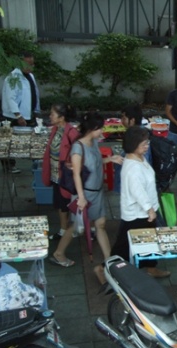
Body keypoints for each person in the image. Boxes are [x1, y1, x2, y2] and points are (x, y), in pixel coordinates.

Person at [51, 112, 122, 269]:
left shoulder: (94, 142)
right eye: (100, 129)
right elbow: (76, 174)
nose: (102, 132)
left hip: (96, 191)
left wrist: (110, 159)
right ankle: (58, 253)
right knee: (76, 227)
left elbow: (95, 164)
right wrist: (81, 198)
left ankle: (109, 260)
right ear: (92, 128)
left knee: (100, 224)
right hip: (85, 193)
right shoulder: (78, 147)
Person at [109, 126, 169, 279]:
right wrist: (149, 209)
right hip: (138, 214)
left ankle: (150, 266)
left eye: (147, 143)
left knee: (148, 240)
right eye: (144, 144)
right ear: (133, 144)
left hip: (145, 211)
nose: (147, 146)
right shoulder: (132, 168)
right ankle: (107, 269)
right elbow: (138, 191)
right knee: (124, 246)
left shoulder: (139, 158)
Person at [42, 103, 79, 239]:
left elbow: (78, 152)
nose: (50, 116)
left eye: (53, 114)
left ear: (62, 117)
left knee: (65, 203)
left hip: (65, 175)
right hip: (56, 174)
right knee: (59, 202)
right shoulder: (56, 129)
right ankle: (64, 229)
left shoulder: (71, 132)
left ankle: (66, 230)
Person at [1, 51, 41, 174]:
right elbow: (10, 98)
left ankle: (36, 163)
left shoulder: (30, 76)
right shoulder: (13, 77)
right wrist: (18, 115)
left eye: (32, 64)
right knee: (11, 141)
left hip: (28, 113)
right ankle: (9, 166)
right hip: (14, 116)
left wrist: (37, 109)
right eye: (28, 64)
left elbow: (34, 93)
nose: (31, 67)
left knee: (32, 138)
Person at [113, 104, 152, 194]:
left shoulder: (139, 137)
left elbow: (142, 162)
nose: (122, 121)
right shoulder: (134, 133)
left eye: (124, 118)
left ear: (132, 120)